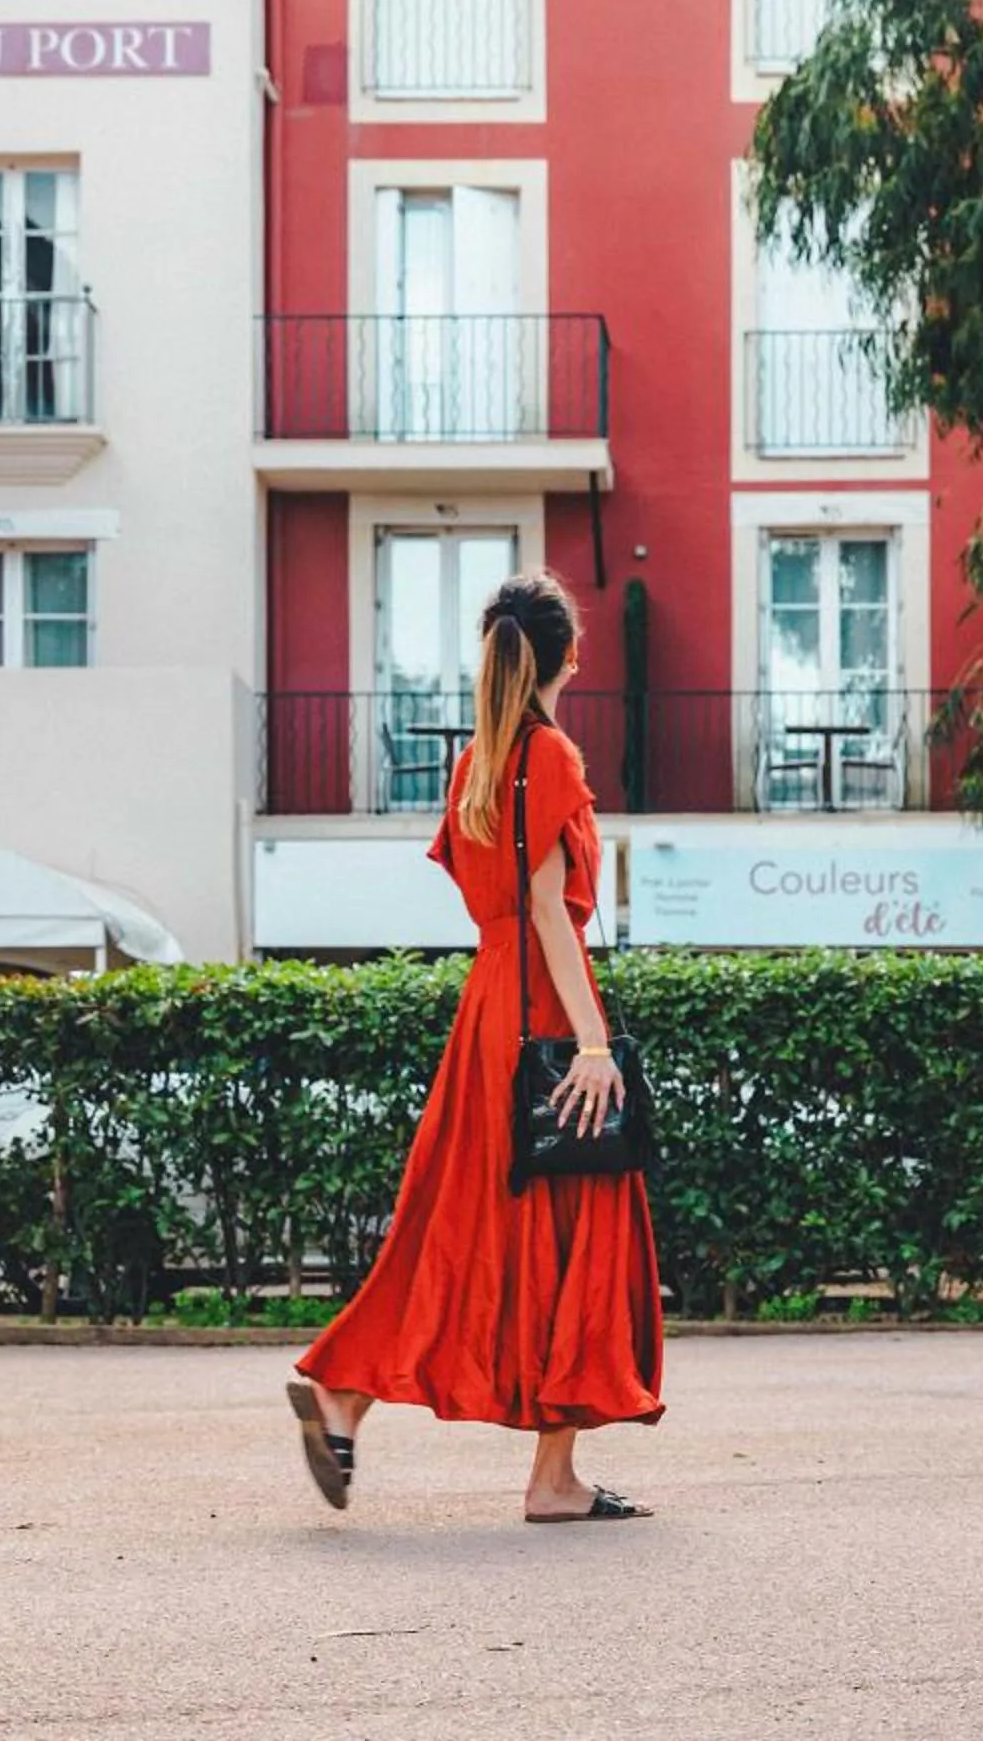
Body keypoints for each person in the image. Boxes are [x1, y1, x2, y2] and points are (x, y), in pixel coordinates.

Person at [286, 570, 664, 1522]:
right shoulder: (555, 758)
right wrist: (592, 1043)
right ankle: (552, 1479)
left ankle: (347, 1395)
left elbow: (492, 903)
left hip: (486, 1010)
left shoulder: (476, 768)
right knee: (589, 1224)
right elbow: (548, 911)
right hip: (542, 1012)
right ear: (571, 654)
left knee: (459, 1225)